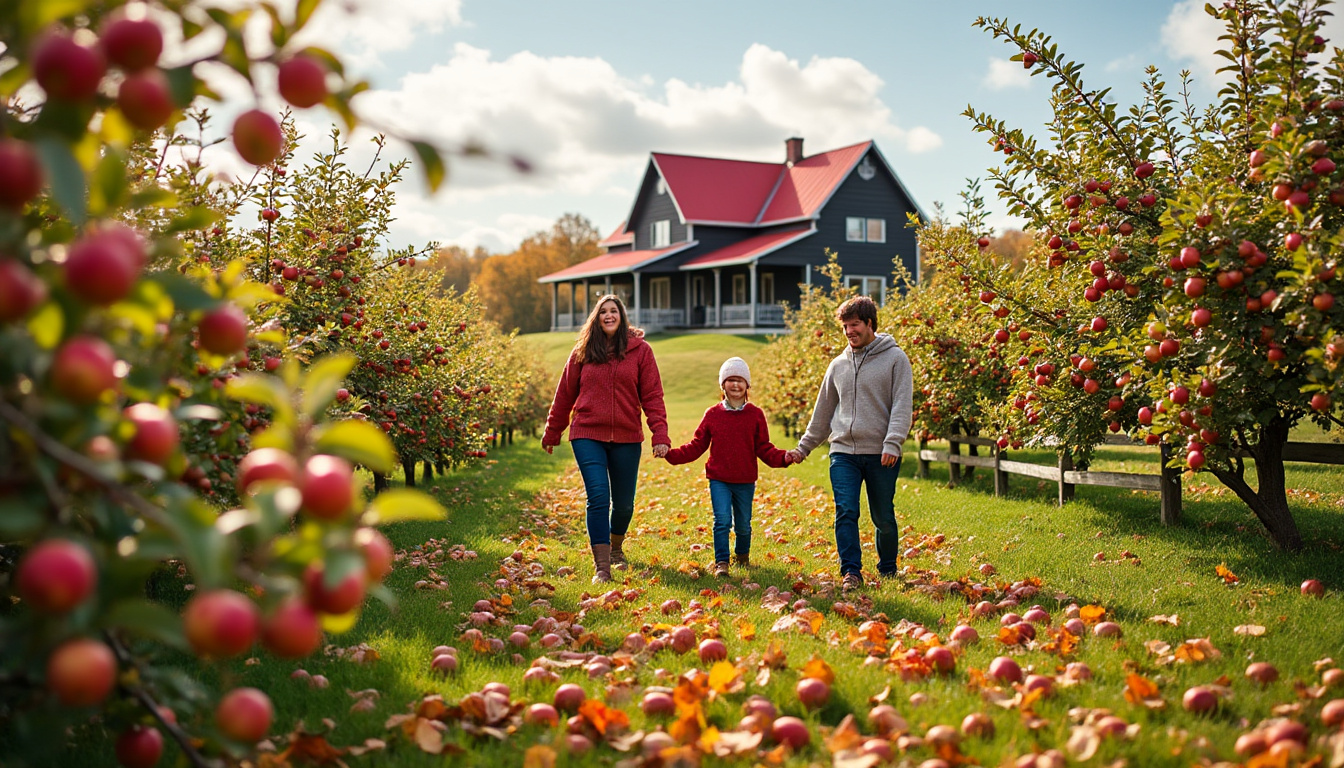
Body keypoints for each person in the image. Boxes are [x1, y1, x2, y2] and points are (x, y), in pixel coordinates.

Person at [785, 295, 913, 592]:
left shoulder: (896, 359)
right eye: (845, 326)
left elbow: (902, 405)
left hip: (882, 452)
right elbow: (823, 413)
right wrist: (804, 447)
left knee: (883, 515)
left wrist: (893, 443)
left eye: (854, 325)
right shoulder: (837, 365)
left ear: (870, 323)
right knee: (846, 510)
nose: (849, 331)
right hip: (842, 452)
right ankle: (851, 572)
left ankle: (888, 568)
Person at [542, 295, 669, 583]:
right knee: (598, 496)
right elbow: (564, 395)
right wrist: (553, 431)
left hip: (627, 436)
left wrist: (659, 433)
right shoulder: (583, 351)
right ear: (596, 319)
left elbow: (652, 396)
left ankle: (615, 548)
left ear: (622, 316)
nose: (609, 316)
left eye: (614, 311)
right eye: (603, 312)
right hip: (587, 433)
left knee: (624, 504)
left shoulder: (641, 351)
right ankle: (602, 568)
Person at [663, 357, 791, 578]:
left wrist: (785, 457)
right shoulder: (713, 414)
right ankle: (721, 562)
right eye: (730, 380)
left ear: (747, 385)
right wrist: (671, 455)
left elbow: (764, 448)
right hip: (719, 479)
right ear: (723, 385)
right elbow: (697, 445)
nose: (735, 385)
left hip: (744, 479)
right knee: (722, 521)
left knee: (743, 525)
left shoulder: (755, 415)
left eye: (740, 380)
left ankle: (742, 556)